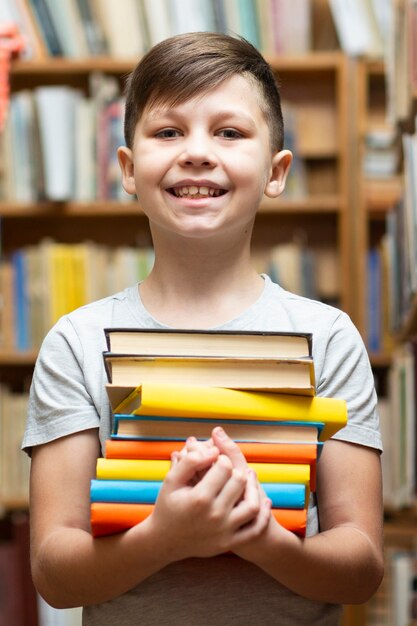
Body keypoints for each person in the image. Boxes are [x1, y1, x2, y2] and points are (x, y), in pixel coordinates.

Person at [23, 32, 384, 625]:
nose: (197, 152)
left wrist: (256, 535)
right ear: (128, 169)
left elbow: (361, 565)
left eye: (230, 132)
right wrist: (165, 536)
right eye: (168, 132)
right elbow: (55, 573)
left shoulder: (328, 337)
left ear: (276, 172)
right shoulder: (78, 342)